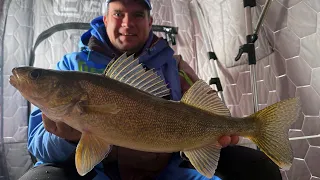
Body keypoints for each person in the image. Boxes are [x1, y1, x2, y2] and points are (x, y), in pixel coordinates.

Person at [19, 0, 282, 180]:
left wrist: (216, 135)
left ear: (150, 21)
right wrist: (67, 138)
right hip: (97, 173)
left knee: (258, 168)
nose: (127, 23)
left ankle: (257, 127)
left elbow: (205, 106)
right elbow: (39, 147)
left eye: (138, 15)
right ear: (105, 18)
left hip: (166, 170)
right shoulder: (71, 66)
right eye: (119, 13)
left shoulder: (175, 66)